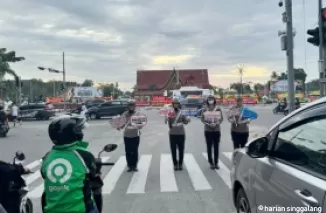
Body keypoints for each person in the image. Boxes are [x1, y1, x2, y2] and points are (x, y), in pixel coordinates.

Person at [40, 116, 99, 213]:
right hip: (80, 210)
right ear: (74, 134)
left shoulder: (47, 156)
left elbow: (43, 174)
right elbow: (93, 172)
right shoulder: (83, 155)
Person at [118, 101, 142, 172]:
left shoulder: (137, 114)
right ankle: (129, 165)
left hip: (135, 135)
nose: (131, 107)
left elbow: (140, 125)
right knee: (128, 151)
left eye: (133, 106)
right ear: (128, 107)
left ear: (134, 107)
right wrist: (118, 126)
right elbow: (121, 125)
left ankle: (134, 166)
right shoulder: (124, 114)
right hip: (127, 135)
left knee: (135, 150)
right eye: (130, 106)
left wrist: (138, 125)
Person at [201, 95, 223, 169]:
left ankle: (216, 163)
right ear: (207, 101)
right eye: (209, 99)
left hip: (216, 130)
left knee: (216, 147)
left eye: (212, 99)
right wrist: (208, 124)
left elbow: (221, 119)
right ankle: (211, 162)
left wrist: (216, 124)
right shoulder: (204, 109)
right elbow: (202, 119)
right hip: (208, 130)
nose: (211, 101)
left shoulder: (218, 109)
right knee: (209, 147)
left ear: (214, 100)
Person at [167, 98, 190, 171]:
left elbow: (185, 122)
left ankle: (180, 164)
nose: (176, 105)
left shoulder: (182, 113)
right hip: (173, 134)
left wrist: (188, 120)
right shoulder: (170, 113)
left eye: (177, 104)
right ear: (173, 105)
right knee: (173, 150)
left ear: (179, 105)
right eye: (174, 104)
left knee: (181, 150)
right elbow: (169, 123)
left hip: (181, 134)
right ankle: (175, 164)